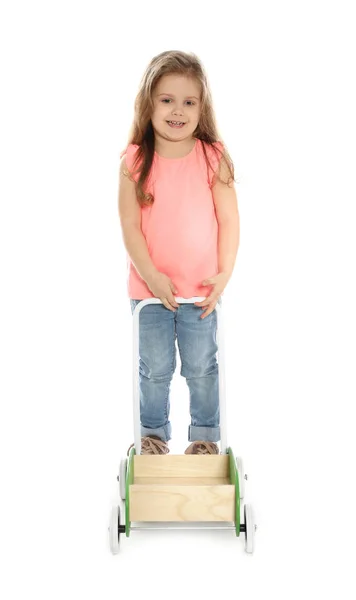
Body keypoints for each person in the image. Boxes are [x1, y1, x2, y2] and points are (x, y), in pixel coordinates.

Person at [118, 50, 240, 455]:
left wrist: (224, 274)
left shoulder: (212, 157)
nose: (177, 111)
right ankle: (152, 435)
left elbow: (229, 221)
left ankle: (204, 437)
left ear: (201, 107)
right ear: (149, 102)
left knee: (203, 368)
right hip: (149, 291)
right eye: (167, 100)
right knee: (153, 370)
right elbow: (131, 227)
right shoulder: (136, 160)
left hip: (200, 293)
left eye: (189, 102)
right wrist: (151, 275)